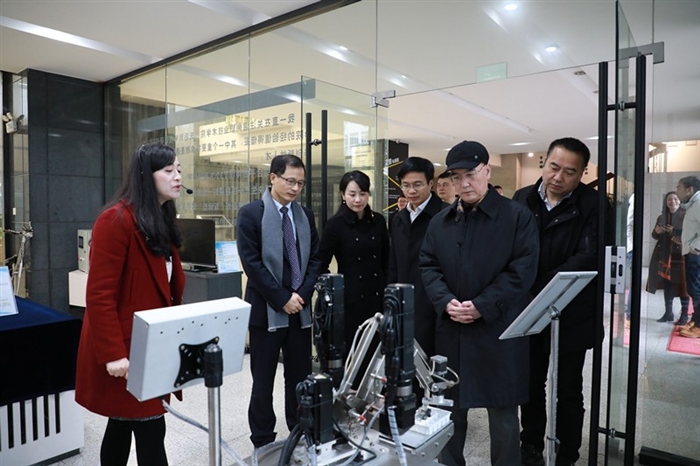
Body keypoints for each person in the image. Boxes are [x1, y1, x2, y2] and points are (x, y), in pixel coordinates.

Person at [420, 141, 539, 466]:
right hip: (453, 330)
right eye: (456, 177)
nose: (464, 184)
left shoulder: (517, 217)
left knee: (503, 416)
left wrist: (482, 306)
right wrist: (445, 301)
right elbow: (428, 265)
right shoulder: (440, 222)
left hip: (498, 329)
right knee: (448, 412)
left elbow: (522, 270)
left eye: (470, 174)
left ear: (487, 171)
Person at [75, 142, 186, 466]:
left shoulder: (160, 221)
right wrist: (113, 353)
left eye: (178, 170)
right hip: (127, 349)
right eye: (169, 170)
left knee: (122, 423)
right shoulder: (116, 220)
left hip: (152, 345)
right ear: (145, 176)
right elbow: (99, 294)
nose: (178, 177)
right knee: (150, 428)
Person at [512, 137, 600, 466]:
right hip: (530, 310)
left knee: (568, 389)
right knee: (531, 383)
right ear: (544, 162)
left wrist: (540, 286)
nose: (558, 177)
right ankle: (531, 444)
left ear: (582, 173)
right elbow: (513, 250)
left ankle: (566, 454)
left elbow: (587, 257)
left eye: (569, 172)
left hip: (573, 310)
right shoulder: (522, 198)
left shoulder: (594, 205)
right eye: (553, 167)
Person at [236, 154, 322, 449]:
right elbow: (252, 264)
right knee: (263, 382)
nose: (295, 188)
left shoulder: (305, 215)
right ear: (273, 177)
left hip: (300, 311)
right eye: (290, 181)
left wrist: (302, 295)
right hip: (266, 312)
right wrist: (282, 298)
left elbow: (315, 259)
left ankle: (299, 430)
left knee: (299, 379)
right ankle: (262, 439)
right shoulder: (251, 214)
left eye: (301, 183)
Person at [318, 170, 389, 360]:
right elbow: (321, 263)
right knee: (353, 353)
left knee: (377, 354)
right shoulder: (335, 225)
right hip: (350, 300)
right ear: (343, 195)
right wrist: (335, 292)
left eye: (362, 194)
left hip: (377, 298)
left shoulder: (378, 221)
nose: (358, 199)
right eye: (352, 194)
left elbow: (387, 260)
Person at [388, 156, 449, 357]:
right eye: (406, 185)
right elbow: (394, 264)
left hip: (435, 305)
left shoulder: (446, 215)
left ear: (430, 184)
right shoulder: (398, 218)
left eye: (417, 185)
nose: (411, 191)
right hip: (404, 304)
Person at [646, 192, 689, 323]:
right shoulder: (662, 217)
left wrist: (673, 232)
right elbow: (654, 235)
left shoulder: (685, 215)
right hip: (664, 255)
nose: (673, 202)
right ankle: (668, 313)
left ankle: (684, 315)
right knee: (667, 283)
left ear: (680, 201)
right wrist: (656, 232)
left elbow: (689, 234)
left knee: (682, 285)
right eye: (669, 199)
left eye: (675, 199)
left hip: (679, 256)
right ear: (666, 202)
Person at [676, 175, 700, 337]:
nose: (677, 191)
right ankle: (696, 320)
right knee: (694, 288)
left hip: (695, 254)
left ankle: (698, 326)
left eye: (679, 187)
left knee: (696, 289)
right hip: (691, 252)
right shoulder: (693, 204)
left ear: (689, 189)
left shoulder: (698, 204)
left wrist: (696, 248)